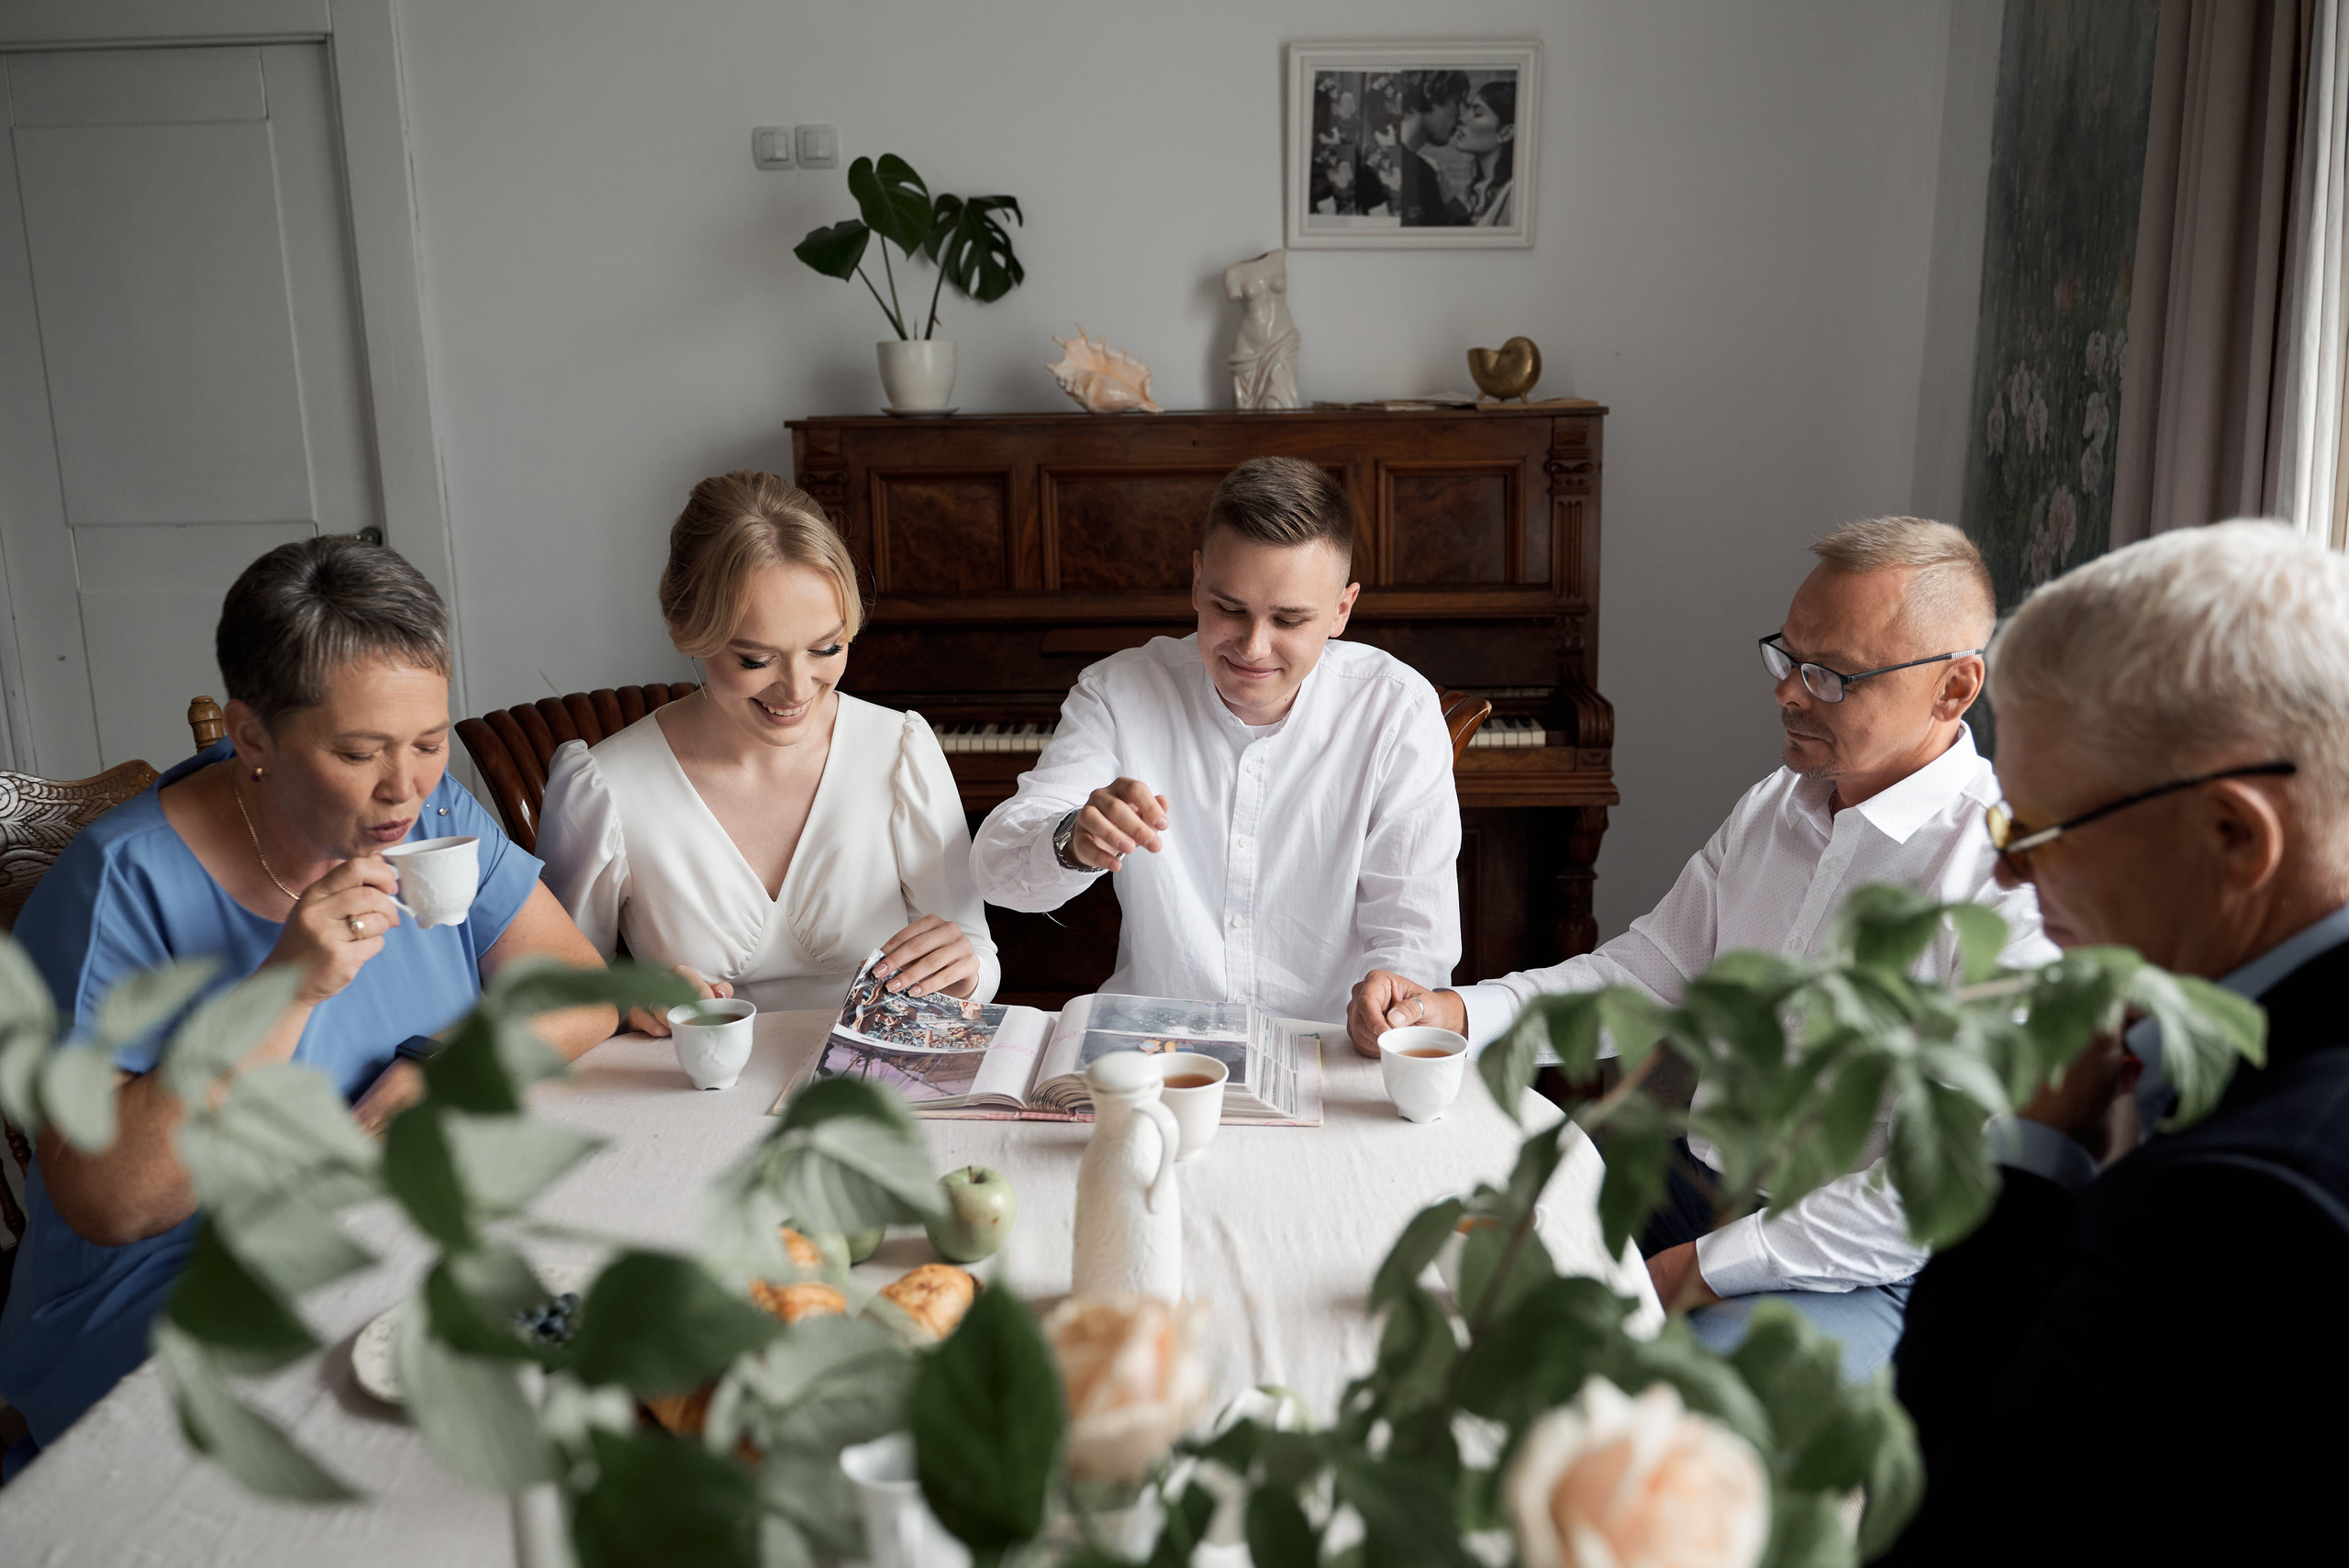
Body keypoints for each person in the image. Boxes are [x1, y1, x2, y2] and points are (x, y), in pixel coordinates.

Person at [1350, 518, 2054, 1380]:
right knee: (1431, 1281)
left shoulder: (1999, 880)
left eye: (1830, 674)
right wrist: (1457, 1009)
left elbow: (1926, 1192)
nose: (1790, 693)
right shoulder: (1775, 805)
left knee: (1659, 1403)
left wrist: (1696, 1269)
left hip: (1854, 1267)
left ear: (1954, 688)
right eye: (1786, 657)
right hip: (1692, 1187)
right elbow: (1644, 976)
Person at [0, 538, 611, 1473]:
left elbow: (572, 987)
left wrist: (433, 1069)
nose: (405, 784)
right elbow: (112, 1201)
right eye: (359, 751)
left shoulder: (428, 813)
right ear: (250, 737)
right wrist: (287, 983)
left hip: (377, 1233)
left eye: (427, 738)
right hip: (172, 1295)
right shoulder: (119, 884)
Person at [1887, 523, 2349, 1564]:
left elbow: (1939, 1518)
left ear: (2234, 835)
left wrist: (2031, 1153)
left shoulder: (2238, 1206)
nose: (2007, 876)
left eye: (2040, 833)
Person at [971, 456, 1460, 1024]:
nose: (1253, 647)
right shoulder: (1118, 691)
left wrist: (1394, 1007)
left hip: (1327, 1053)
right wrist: (1071, 841)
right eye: (1230, 609)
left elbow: (1413, 937)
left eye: (1289, 620)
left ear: (1341, 610)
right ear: (1198, 582)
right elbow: (996, 873)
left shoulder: (1397, 708)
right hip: (1152, 1049)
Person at [538, 471, 996, 1027]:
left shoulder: (899, 753)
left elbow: (976, 953)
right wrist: (630, 1001)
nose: (798, 689)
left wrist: (964, 970)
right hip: (691, 1094)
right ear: (685, 628)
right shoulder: (605, 787)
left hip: (871, 1092)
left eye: (827, 648)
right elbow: (552, 993)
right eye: (755, 660)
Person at [1397, 71, 1470, 227]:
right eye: (1457, 103)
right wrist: (1452, 203)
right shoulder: (1421, 173)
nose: (1460, 118)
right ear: (1428, 91)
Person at [1455, 76, 1518, 228]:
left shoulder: (1513, 196)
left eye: (1477, 113)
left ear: (1506, 133)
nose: (1462, 119)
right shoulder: (1477, 196)